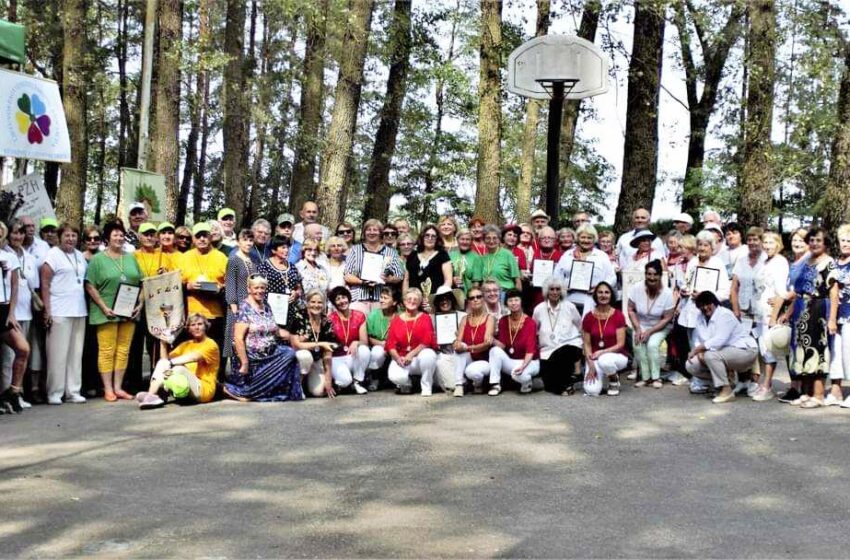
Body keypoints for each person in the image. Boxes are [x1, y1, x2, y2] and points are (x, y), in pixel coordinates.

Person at [85, 220, 143, 401]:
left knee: (123, 350)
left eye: (121, 235)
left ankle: (118, 387)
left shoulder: (131, 257)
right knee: (107, 350)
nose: (119, 238)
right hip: (106, 312)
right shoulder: (98, 260)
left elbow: (142, 283)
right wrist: (103, 307)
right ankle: (108, 389)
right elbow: (89, 285)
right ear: (107, 238)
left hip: (129, 313)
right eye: (115, 235)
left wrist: (139, 304)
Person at [224, 275, 304, 402]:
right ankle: (245, 392)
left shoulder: (266, 306)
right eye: (256, 288)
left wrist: (293, 336)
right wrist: (244, 363)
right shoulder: (244, 308)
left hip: (270, 351)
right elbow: (238, 338)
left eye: (262, 288)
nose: (260, 291)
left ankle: (275, 391)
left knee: (289, 353)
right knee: (288, 354)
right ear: (249, 289)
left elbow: (276, 330)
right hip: (253, 356)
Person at [675, 230, 731, 394]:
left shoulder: (717, 264)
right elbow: (687, 284)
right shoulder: (692, 263)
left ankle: (716, 381)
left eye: (706, 245)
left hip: (710, 312)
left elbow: (724, 292)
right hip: (691, 312)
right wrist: (686, 291)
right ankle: (698, 379)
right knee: (694, 346)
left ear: (712, 247)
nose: (702, 248)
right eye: (700, 244)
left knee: (710, 348)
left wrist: (706, 297)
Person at [785, 227, 835, 408]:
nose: (814, 243)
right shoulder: (806, 263)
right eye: (811, 240)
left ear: (826, 243)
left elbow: (834, 293)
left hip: (818, 310)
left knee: (818, 351)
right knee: (802, 351)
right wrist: (788, 313)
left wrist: (831, 319)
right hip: (800, 311)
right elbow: (798, 292)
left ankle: (819, 395)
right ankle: (806, 393)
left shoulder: (828, 262)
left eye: (818, 240)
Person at [40, 222, 88, 405]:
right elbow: (44, 284)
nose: (70, 239)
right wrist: (47, 310)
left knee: (76, 353)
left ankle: (73, 391)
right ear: (60, 237)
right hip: (59, 310)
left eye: (74, 236)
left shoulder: (79, 256)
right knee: (57, 354)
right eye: (67, 235)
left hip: (79, 310)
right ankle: (54, 392)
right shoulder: (52, 255)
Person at [686, 291, 758, 403]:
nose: (705, 308)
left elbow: (720, 340)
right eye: (702, 306)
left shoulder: (725, 314)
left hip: (745, 351)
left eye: (708, 304)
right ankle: (722, 382)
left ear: (714, 303)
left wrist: (698, 349)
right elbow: (697, 338)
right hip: (722, 352)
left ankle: (726, 390)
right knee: (691, 364)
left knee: (710, 356)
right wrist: (699, 352)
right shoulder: (700, 317)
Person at [135, 313, 221, 409]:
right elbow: (165, 360)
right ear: (189, 329)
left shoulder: (211, 344)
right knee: (162, 363)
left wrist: (170, 363)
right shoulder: (186, 344)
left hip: (203, 390)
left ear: (206, 326)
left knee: (179, 368)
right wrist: (162, 342)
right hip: (183, 386)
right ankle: (152, 395)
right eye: (193, 325)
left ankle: (155, 395)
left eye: (200, 324)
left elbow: (194, 357)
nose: (197, 327)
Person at [750, 231, 790, 402]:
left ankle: (768, 385)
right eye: (765, 242)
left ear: (778, 244)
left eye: (771, 243)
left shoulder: (780, 262)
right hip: (758, 312)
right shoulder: (764, 261)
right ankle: (762, 382)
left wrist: (774, 317)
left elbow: (781, 292)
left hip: (769, 313)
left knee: (768, 350)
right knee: (761, 348)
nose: (767, 246)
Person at [179, 222, 228, 358]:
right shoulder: (184, 257)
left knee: (212, 354)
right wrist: (187, 287)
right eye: (198, 236)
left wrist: (220, 289)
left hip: (214, 315)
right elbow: (174, 286)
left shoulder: (221, 257)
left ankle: (214, 379)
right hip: (191, 314)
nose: (202, 239)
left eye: (205, 236)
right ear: (193, 239)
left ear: (210, 237)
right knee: (192, 355)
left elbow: (230, 284)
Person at [729, 226, 766, 394]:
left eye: (755, 239)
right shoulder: (742, 260)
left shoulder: (766, 260)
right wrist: (735, 309)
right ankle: (742, 379)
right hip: (743, 310)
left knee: (759, 347)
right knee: (741, 345)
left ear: (761, 241)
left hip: (760, 310)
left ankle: (756, 381)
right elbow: (734, 287)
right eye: (749, 239)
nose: (752, 243)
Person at [627, 260, 675, 388]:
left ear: (660, 276)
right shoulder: (637, 288)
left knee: (652, 345)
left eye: (655, 274)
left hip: (660, 325)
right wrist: (637, 328)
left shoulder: (667, 293)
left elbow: (667, 318)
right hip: (641, 323)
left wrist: (650, 331)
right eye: (648, 274)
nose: (651, 277)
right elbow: (630, 309)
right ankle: (645, 377)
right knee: (638, 344)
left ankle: (656, 377)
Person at [775, 228, 809, 403]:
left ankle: (803, 388)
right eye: (794, 240)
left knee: (802, 349)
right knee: (792, 349)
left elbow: (800, 292)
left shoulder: (808, 262)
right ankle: (795, 386)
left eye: (801, 241)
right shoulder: (793, 262)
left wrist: (786, 308)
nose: (796, 243)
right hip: (792, 310)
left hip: (804, 310)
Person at [533, 277, 582, 395]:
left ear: (562, 291)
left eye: (557, 289)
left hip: (569, 346)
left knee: (563, 354)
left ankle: (564, 386)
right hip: (547, 351)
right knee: (548, 385)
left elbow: (580, 326)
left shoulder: (569, 306)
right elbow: (534, 330)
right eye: (551, 289)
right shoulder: (539, 309)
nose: (555, 292)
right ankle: (567, 385)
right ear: (546, 291)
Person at [0, 223, 31, 413]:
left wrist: (11, 314)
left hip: (3, 310)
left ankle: (13, 391)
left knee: (23, 348)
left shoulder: (9, 257)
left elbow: (14, 287)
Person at [344, 219, 404, 315]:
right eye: (368, 230)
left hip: (381, 299)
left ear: (380, 232)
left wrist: (387, 279)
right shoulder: (355, 250)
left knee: (378, 328)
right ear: (364, 232)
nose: (372, 232)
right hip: (359, 298)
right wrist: (362, 282)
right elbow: (347, 275)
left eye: (375, 230)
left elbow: (399, 275)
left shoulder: (390, 252)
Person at [385, 288, 438, 396]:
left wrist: (411, 354)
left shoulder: (425, 318)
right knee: (395, 376)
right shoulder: (396, 320)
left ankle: (426, 386)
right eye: (409, 299)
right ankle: (408, 383)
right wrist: (397, 358)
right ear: (404, 301)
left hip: (419, 359)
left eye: (415, 299)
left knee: (429, 355)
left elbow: (427, 340)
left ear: (419, 302)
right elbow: (390, 344)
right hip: (403, 359)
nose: (412, 301)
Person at [554, 224, 617, 316]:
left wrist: (599, 288)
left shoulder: (601, 256)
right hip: (568, 298)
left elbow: (612, 277)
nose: (586, 240)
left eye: (589, 238)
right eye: (583, 237)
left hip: (592, 300)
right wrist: (562, 286)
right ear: (578, 238)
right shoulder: (568, 255)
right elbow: (556, 275)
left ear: (594, 239)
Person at [487, 288, 540, 395]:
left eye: (516, 300)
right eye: (510, 300)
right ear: (506, 303)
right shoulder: (503, 321)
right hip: (512, 361)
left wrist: (523, 366)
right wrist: (492, 340)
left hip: (530, 361)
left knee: (519, 375)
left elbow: (530, 350)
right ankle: (495, 384)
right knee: (494, 350)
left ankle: (527, 383)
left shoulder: (530, 323)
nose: (513, 303)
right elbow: (502, 346)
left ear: (521, 302)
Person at [581, 282, 628, 396]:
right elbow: (586, 345)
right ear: (595, 295)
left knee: (605, 360)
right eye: (600, 292)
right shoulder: (588, 317)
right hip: (595, 358)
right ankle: (601, 378)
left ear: (611, 295)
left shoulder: (618, 315)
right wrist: (591, 364)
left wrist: (602, 352)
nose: (603, 295)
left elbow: (620, 344)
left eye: (607, 292)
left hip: (616, 356)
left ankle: (613, 379)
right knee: (591, 390)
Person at [290, 289, 337, 398]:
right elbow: (296, 345)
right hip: (300, 358)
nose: (316, 305)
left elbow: (328, 353)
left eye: (320, 302)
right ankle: (298, 386)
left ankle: (310, 383)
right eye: (313, 302)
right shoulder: (299, 317)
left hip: (317, 360)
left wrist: (328, 379)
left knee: (319, 392)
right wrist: (320, 344)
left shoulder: (327, 322)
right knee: (305, 356)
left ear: (324, 304)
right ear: (307, 302)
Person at [452, 286, 495, 396]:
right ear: (468, 302)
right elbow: (459, 340)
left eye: (478, 297)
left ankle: (478, 384)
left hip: (484, 360)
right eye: (472, 298)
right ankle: (459, 385)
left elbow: (487, 344)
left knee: (471, 371)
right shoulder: (464, 319)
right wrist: (456, 344)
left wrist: (468, 348)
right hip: (469, 359)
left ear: (483, 299)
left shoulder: (489, 318)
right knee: (459, 347)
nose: (475, 300)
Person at [327, 286, 371, 394]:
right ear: (334, 303)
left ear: (349, 298)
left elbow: (364, 341)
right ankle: (342, 383)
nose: (342, 301)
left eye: (344, 297)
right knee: (345, 381)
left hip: (352, 355)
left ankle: (357, 381)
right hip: (337, 357)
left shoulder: (359, 316)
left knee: (364, 350)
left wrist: (357, 342)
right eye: (338, 299)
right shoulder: (329, 319)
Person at [224, 229, 258, 363]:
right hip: (237, 306)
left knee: (249, 340)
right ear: (238, 242)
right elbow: (230, 284)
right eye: (245, 240)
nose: (248, 243)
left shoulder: (253, 260)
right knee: (236, 340)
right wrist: (234, 308)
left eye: (250, 240)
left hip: (252, 306)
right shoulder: (233, 260)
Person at [828, 224, 850, 407]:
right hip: (835, 313)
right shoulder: (834, 263)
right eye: (843, 240)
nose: (846, 244)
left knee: (848, 353)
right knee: (835, 352)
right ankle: (836, 390)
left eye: (849, 241)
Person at [403, 224, 452, 304]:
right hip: (413, 302)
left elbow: (448, 280)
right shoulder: (412, 255)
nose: (430, 238)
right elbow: (406, 280)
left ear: (437, 239)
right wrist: (405, 298)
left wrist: (440, 298)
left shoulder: (442, 255)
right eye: (427, 235)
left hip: (435, 302)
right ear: (422, 237)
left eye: (433, 236)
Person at [258, 236, 302, 315]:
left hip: (289, 312)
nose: (286, 250)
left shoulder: (292, 267)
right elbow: (258, 289)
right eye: (283, 247)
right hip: (269, 311)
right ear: (274, 250)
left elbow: (298, 287)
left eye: (288, 247)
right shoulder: (264, 266)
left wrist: (296, 293)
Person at [365, 286, 399, 390]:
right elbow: (370, 337)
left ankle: (399, 380)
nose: (381, 300)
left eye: (385, 298)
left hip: (397, 347)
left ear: (394, 302)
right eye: (381, 297)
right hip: (380, 345)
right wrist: (383, 344)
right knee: (377, 352)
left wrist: (391, 346)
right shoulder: (373, 315)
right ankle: (374, 378)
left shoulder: (401, 315)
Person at [480, 224, 521, 295]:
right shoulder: (483, 258)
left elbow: (517, 281)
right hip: (488, 294)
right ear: (484, 240)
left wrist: (516, 298)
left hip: (505, 293)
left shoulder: (508, 254)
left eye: (494, 238)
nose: (491, 241)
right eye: (488, 238)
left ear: (499, 239)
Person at [528, 226, 562, 308]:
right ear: (539, 240)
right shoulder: (533, 253)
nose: (547, 240)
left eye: (550, 238)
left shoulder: (561, 256)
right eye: (543, 238)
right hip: (535, 294)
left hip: (553, 296)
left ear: (554, 240)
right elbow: (529, 271)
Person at [449, 229, 483, 297]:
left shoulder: (476, 257)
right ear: (457, 240)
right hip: (452, 295)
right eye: (462, 239)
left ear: (471, 241)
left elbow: (476, 282)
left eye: (468, 239)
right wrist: (452, 280)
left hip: (468, 296)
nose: (465, 242)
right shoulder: (450, 255)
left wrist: (472, 296)